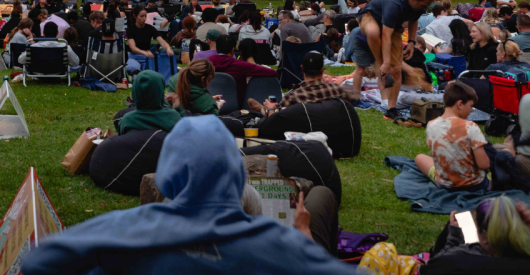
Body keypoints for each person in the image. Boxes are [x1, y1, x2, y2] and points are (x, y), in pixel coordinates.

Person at [23, 116, 353, 275]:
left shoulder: (127, 229)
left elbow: (38, 262)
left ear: (168, 174)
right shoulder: (279, 244)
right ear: (237, 174)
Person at [358, 0, 436, 119]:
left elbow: (413, 21)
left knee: (396, 69)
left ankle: (391, 108)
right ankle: (379, 63)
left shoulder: (419, 5)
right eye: (423, 6)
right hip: (370, 17)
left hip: (393, 26)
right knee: (373, 31)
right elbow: (385, 36)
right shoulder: (394, 3)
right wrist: (385, 62)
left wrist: (411, 42)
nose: (425, 9)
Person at [420, 195, 530, 275]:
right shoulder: (521, 255)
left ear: (485, 235)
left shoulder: (463, 256)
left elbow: (433, 264)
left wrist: (454, 236)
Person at [416, 82, 491, 192]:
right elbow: (484, 164)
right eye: (470, 106)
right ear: (460, 104)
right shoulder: (471, 127)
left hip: (445, 184)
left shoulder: (431, 125)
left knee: (419, 158)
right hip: (474, 185)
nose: (471, 110)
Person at [207, 34, 278, 106]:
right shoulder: (240, 65)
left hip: (209, 103)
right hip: (236, 106)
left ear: (217, 48)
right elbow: (272, 72)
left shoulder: (205, 63)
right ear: (232, 50)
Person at [279, 52, 353, 108]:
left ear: (302, 68)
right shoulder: (338, 90)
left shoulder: (292, 97)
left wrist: (270, 110)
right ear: (322, 70)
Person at [118, 69, 182, 134]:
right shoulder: (173, 117)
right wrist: (177, 107)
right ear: (160, 91)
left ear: (135, 92)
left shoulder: (127, 120)